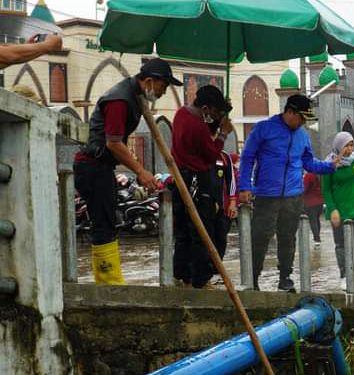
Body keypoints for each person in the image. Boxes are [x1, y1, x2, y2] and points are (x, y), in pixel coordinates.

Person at [73, 58, 181, 285]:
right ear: (149, 81)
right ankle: (108, 282)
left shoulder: (135, 97)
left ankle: (110, 278)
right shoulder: (120, 100)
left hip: (102, 167)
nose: (163, 91)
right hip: (92, 166)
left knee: (110, 221)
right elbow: (113, 143)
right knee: (103, 223)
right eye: (163, 86)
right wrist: (141, 171)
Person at [238, 94, 339, 292]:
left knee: (288, 238)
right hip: (267, 194)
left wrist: (328, 166)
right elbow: (247, 158)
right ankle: (253, 279)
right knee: (260, 237)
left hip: (293, 195)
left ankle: (285, 278)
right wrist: (244, 187)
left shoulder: (302, 135)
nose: (303, 122)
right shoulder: (264, 129)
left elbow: (308, 162)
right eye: (301, 117)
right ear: (290, 112)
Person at [170, 85, 234, 289]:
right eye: (214, 111)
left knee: (183, 232)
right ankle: (201, 279)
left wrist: (217, 122)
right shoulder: (196, 125)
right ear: (206, 108)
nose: (215, 115)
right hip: (197, 181)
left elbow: (205, 137)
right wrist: (223, 133)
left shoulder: (181, 115)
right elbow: (211, 153)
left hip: (180, 179)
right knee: (201, 230)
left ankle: (182, 275)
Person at [321, 132, 354, 290]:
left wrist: (353, 194)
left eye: (351, 145)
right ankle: (344, 276)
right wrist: (333, 208)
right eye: (346, 146)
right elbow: (326, 190)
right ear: (338, 146)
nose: (349, 149)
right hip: (337, 210)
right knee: (341, 244)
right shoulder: (329, 164)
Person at [208, 150, 238, 284]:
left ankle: (216, 271)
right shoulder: (198, 153)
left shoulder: (224, 157)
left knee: (220, 239)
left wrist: (232, 201)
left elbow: (231, 180)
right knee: (203, 240)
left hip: (221, 208)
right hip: (202, 206)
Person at [303, 171, 324, 245]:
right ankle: (317, 237)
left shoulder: (308, 176)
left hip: (311, 202)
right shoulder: (317, 175)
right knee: (316, 220)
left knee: (313, 221)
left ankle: (317, 239)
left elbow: (304, 189)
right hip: (320, 201)